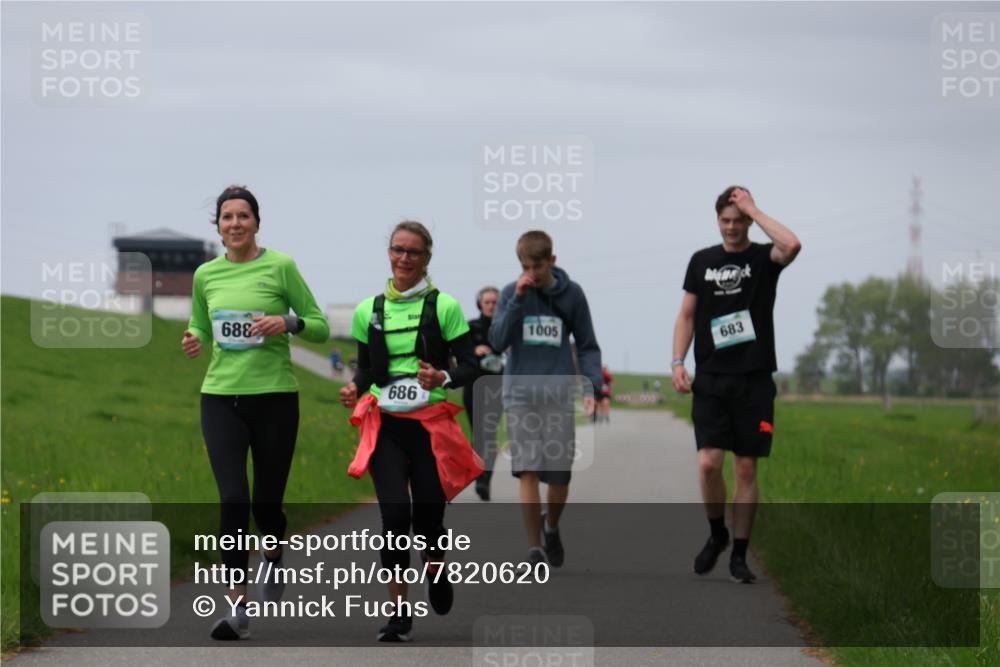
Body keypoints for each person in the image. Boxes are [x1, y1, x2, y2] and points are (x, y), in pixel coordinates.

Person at [182, 185, 330, 639]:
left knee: (266, 506)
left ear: (256, 223)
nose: (235, 224)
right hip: (221, 397)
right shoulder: (205, 274)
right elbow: (200, 323)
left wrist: (286, 322)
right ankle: (236, 608)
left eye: (243, 216)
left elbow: (320, 327)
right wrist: (194, 338)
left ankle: (273, 551)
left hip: (275, 399)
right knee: (233, 500)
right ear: (219, 226)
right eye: (227, 217)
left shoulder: (280, 266)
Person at [340, 220, 483, 642]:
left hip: (430, 428)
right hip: (384, 423)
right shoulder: (369, 311)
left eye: (413, 252)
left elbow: (471, 366)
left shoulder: (445, 307)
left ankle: (436, 569)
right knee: (395, 518)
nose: (404, 259)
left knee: (427, 518)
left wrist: (442, 377)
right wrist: (354, 386)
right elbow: (366, 369)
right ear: (389, 253)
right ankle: (399, 611)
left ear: (427, 259)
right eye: (398, 250)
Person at [671, 185, 801, 583]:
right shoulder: (702, 261)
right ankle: (717, 534)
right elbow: (687, 315)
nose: (731, 227)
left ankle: (740, 556)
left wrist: (755, 209)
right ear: (717, 221)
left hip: (754, 379)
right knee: (709, 462)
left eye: (738, 220)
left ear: (747, 221)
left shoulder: (764, 259)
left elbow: (792, 244)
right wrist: (678, 360)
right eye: (725, 220)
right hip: (711, 378)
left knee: (746, 468)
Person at [490, 230, 601, 567]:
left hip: (557, 395)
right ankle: (534, 548)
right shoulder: (512, 293)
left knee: (558, 475)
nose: (531, 273)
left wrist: (592, 387)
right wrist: (516, 300)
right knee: (528, 469)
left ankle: (551, 526)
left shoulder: (572, 295)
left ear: (552, 261)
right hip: (520, 394)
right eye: (525, 266)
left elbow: (586, 345)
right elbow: (496, 341)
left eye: (537, 266)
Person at [465, 286, 504, 501]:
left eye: (495, 302)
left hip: (497, 388)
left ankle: (484, 481)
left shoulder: (503, 328)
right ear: (480, 304)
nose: (491, 306)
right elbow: (457, 353)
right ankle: (478, 472)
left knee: (488, 435)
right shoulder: (471, 327)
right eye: (487, 302)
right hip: (474, 387)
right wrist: (473, 350)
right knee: (479, 434)